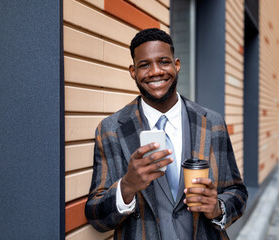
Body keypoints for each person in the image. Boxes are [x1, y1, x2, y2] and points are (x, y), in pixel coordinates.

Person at [85, 28, 248, 240]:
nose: (155, 72)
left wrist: (217, 207)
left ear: (176, 65)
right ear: (133, 72)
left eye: (163, 62)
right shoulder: (111, 130)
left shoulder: (212, 123)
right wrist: (127, 186)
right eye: (145, 65)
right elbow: (96, 216)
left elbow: (238, 192)